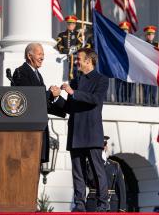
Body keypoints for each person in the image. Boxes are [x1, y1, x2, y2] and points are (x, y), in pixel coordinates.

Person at [55, 48, 109, 212]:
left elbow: (95, 99)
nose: (76, 62)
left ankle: (103, 204)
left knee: (97, 169)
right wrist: (58, 97)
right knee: (77, 172)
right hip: (76, 132)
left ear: (89, 61)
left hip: (92, 132)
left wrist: (73, 92)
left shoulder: (101, 80)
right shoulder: (75, 81)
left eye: (79, 59)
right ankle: (79, 204)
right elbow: (69, 108)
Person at [12, 43, 65, 163]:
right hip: (29, 129)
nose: (42, 57)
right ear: (29, 56)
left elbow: (41, 101)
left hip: (39, 127)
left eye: (43, 54)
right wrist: (50, 93)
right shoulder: (21, 72)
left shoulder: (38, 74)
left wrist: (59, 103)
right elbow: (28, 98)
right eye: (39, 54)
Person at [86, 136, 126, 212]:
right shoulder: (89, 164)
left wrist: (122, 208)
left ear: (106, 147)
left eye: (104, 145)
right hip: (94, 202)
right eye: (98, 146)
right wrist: (94, 162)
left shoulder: (115, 165)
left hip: (111, 203)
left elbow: (121, 188)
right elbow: (89, 179)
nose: (102, 148)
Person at [56, 15, 83, 80]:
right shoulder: (61, 34)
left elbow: (80, 44)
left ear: (75, 25)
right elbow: (58, 44)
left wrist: (71, 50)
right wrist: (64, 50)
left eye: (72, 24)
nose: (70, 25)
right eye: (69, 23)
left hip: (75, 59)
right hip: (64, 57)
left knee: (75, 76)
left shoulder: (78, 34)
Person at [115, 21, 135, 103]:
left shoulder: (132, 41)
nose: (124, 32)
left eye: (126, 30)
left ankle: (128, 101)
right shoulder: (116, 41)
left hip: (129, 68)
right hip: (119, 67)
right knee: (118, 87)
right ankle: (119, 101)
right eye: (122, 30)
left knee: (129, 87)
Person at [143, 25, 159, 105]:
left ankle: (153, 102)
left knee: (153, 88)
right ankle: (145, 102)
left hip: (153, 69)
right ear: (146, 35)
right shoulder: (143, 44)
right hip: (146, 69)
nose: (150, 36)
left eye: (152, 34)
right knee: (146, 88)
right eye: (148, 34)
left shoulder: (157, 45)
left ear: (154, 35)